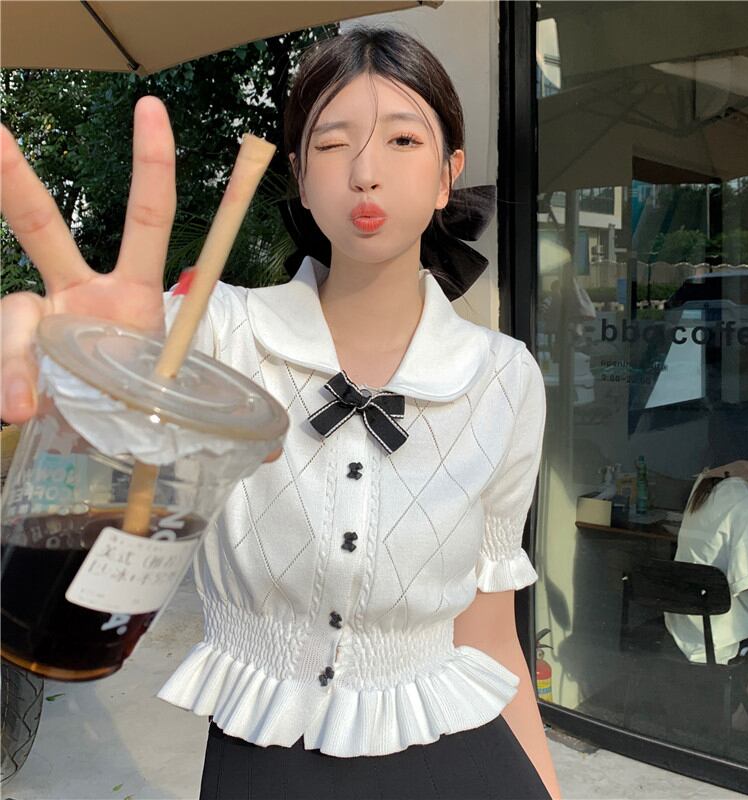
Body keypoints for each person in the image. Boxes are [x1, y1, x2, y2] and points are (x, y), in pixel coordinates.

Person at [0, 28, 559, 799]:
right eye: (332, 144)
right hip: (268, 756)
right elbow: (105, 407)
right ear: (299, 175)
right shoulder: (214, 337)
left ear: (447, 176)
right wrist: (89, 364)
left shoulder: (505, 378)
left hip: (461, 757)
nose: (366, 172)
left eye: (402, 139)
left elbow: (490, 634)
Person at [664, 402, 748, 732]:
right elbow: (746, 582)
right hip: (714, 627)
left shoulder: (705, 483)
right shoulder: (744, 499)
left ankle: (741, 717)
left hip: (687, 614)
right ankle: (743, 719)